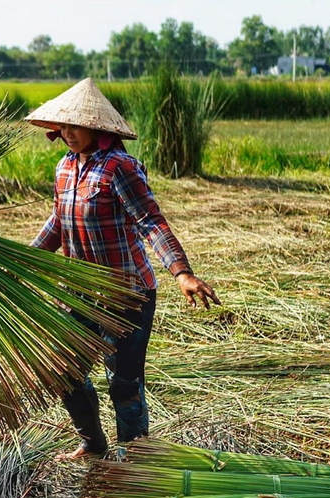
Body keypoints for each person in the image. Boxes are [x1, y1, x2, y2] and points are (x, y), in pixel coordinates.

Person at [26, 78, 220, 460]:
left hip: (125, 293)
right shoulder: (64, 168)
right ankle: (93, 444)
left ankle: (135, 457)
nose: (67, 132)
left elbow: (150, 221)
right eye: (62, 125)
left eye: (75, 125)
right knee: (65, 372)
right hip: (78, 290)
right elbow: (58, 223)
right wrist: (26, 260)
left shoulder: (120, 167)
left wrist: (181, 272)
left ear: (98, 127)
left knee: (124, 382)